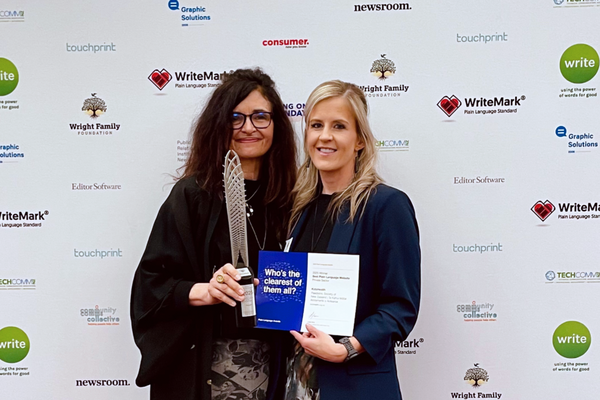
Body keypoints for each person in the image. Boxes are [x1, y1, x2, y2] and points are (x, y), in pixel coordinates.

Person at [130, 68, 297, 400]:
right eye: (236, 118)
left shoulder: (292, 198)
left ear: (276, 124)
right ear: (218, 125)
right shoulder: (192, 196)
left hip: (279, 367)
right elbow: (149, 286)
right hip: (207, 369)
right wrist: (206, 290)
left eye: (260, 117)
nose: (248, 127)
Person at [284, 80, 420, 400]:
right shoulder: (298, 208)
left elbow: (400, 307)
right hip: (294, 383)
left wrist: (346, 348)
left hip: (355, 385)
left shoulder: (385, 206)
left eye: (339, 126)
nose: (325, 136)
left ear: (359, 140)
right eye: (316, 125)